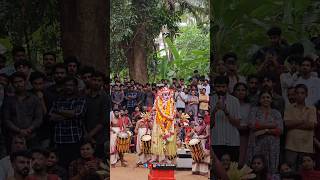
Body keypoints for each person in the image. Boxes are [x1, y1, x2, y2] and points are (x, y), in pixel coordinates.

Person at [49, 76, 87, 169]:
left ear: (75, 87)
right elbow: (51, 117)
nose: (68, 87)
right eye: (66, 85)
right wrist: (69, 114)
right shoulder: (58, 100)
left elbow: (77, 113)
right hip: (60, 139)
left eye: (71, 85)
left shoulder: (80, 99)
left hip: (75, 139)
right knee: (61, 167)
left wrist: (59, 111)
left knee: (75, 167)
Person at [247, 90, 283, 175]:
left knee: (271, 169)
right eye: (263, 97)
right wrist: (272, 125)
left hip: (272, 145)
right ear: (259, 100)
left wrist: (265, 130)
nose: (265, 99)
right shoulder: (254, 110)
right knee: (255, 167)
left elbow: (280, 130)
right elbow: (252, 125)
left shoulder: (276, 112)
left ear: (271, 100)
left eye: (268, 97)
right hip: (256, 143)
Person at [3, 72, 43, 147]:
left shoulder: (34, 99)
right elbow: (6, 119)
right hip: (14, 137)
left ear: (25, 82)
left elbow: (39, 118)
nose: (19, 84)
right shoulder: (8, 100)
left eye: (21, 81)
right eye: (15, 82)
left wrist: (29, 129)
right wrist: (19, 130)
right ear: (12, 84)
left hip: (31, 136)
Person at [284, 84, 317, 170]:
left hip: (306, 145)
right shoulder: (289, 108)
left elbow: (311, 125)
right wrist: (302, 121)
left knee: (305, 171)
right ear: (294, 95)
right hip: (291, 144)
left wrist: (294, 123)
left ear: (306, 94)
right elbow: (287, 124)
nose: (299, 95)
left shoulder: (312, 108)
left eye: (302, 93)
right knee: (290, 170)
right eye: (297, 93)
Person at [211, 76, 241, 161]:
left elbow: (237, 124)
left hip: (232, 141)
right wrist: (214, 111)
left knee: (232, 169)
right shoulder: (210, 99)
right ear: (214, 86)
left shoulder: (234, 101)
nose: (221, 89)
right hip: (215, 141)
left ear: (227, 87)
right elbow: (209, 125)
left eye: (223, 87)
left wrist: (225, 111)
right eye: (218, 87)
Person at [84, 71, 108, 160]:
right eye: (94, 80)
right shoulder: (84, 96)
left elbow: (104, 120)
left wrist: (90, 135)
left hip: (100, 137)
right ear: (90, 80)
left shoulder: (105, 97)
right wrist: (86, 134)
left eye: (99, 80)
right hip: (85, 134)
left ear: (102, 82)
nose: (96, 82)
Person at [150, 87, 177, 163]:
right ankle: (157, 157)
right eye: (164, 94)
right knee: (158, 138)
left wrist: (172, 116)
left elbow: (174, 110)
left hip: (169, 123)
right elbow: (156, 109)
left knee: (168, 138)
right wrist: (168, 117)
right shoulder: (158, 100)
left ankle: (166, 157)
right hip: (159, 122)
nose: (166, 96)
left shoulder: (171, 101)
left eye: (167, 94)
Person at [233, 82, 251, 168]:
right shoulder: (230, 104)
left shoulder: (249, 106)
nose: (241, 92)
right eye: (238, 90)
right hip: (232, 134)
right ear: (234, 91)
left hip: (245, 134)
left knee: (243, 159)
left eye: (243, 90)